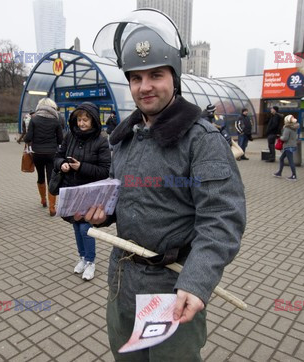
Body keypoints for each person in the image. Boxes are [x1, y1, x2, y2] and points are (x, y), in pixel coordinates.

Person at [90, 9, 246, 361]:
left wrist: (197, 281)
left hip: (173, 289)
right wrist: (105, 214)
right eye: (136, 77)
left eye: (156, 75)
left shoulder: (201, 140)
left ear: (174, 78)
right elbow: (126, 198)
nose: (145, 86)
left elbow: (222, 220)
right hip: (122, 283)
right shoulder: (124, 138)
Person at [54, 102, 111, 280]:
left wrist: (81, 167)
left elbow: (105, 170)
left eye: (85, 120)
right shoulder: (69, 136)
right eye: (79, 119)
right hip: (72, 190)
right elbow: (57, 157)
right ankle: (82, 258)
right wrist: (61, 164)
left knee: (86, 227)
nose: (81, 123)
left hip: (90, 192)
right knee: (76, 225)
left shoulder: (101, 141)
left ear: (93, 121)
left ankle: (91, 262)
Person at [24, 98, 63, 216]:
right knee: (51, 178)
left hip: (37, 153)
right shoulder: (56, 120)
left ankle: (43, 199)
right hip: (51, 153)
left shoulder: (34, 119)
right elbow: (60, 139)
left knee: (40, 176)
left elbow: (28, 137)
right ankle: (52, 208)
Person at [273, 115, 299, 181]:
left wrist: (280, 137)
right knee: (281, 158)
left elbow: (285, 138)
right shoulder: (294, 127)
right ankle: (279, 172)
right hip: (292, 145)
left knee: (291, 161)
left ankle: (294, 176)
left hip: (288, 146)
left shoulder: (287, 128)